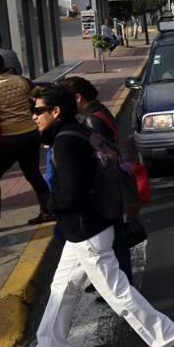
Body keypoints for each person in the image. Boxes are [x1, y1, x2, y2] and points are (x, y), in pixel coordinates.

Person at [22, 84, 174, 347]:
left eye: (38, 111)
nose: (33, 116)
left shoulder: (65, 142)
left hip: (87, 231)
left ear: (56, 111)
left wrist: (50, 204)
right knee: (62, 288)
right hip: (85, 230)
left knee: (117, 293)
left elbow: (72, 192)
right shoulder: (79, 131)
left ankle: (164, 335)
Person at [58, 76, 136, 286]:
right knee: (114, 238)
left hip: (107, 187)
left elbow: (102, 155)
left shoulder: (91, 119)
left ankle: (120, 282)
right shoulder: (98, 110)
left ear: (77, 97)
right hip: (112, 185)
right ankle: (108, 279)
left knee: (115, 240)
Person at [0, 52, 52, 229]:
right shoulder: (22, 80)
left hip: (8, 138)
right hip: (30, 134)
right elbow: (37, 97)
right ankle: (48, 210)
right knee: (32, 173)